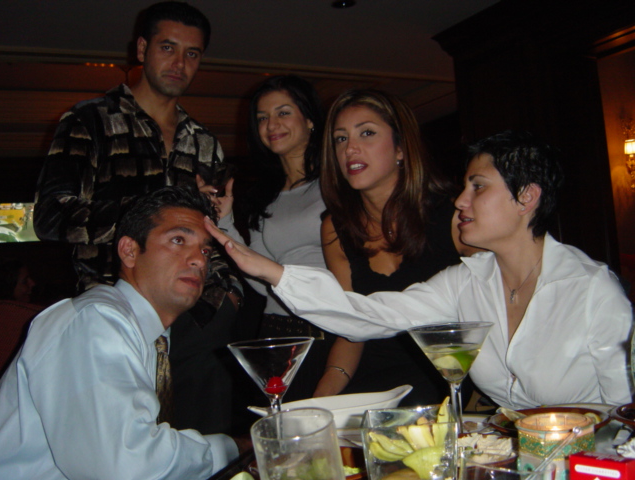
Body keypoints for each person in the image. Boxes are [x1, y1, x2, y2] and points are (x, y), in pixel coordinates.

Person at [207, 130, 633, 409]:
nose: (460, 200)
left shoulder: (591, 290)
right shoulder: (465, 281)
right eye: (464, 187)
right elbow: (368, 315)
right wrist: (272, 272)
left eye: (478, 187)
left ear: (527, 197)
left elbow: (626, 414)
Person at [33, 1, 241, 433]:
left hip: (197, 319)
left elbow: (212, 232)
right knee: (120, 446)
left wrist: (228, 294)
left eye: (192, 53)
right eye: (168, 47)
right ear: (142, 49)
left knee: (207, 447)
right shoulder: (90, 120)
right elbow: (51, 217)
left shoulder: (205, 143)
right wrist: (153, 209)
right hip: (115, 316)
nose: (179, 63)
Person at [0, 186, 242, 479]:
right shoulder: (95, 322)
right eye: (178, 240)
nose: (199, 260)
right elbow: (126, 467)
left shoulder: (150, 335)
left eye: (205, 250)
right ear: (129, 251)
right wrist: (234, 451)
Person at [313, 90, 463, 405]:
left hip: (445, 383)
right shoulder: (336, 228)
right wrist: (320, 402)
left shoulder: (455, 216)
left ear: (401, 148)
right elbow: (351, 330)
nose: (350, 148)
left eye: (366, 133)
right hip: (372, 387)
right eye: (340, 139)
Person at [215, 75, 332, 401]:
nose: (271, 125)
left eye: (283, 113)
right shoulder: (267, 195)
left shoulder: (334, 184)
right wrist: (224, 221)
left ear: (309, 119)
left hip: (323, 328)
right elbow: (262, 280)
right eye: (262, 117)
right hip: (277, 329)